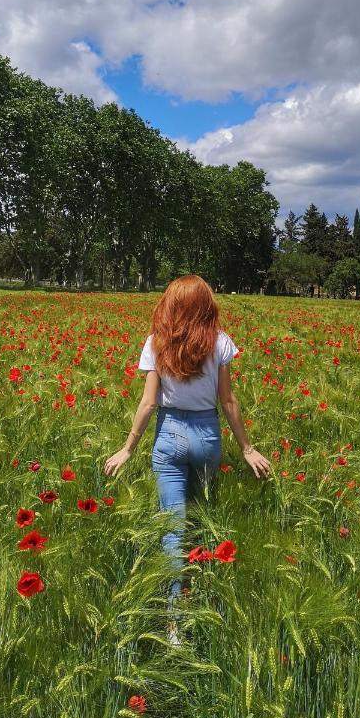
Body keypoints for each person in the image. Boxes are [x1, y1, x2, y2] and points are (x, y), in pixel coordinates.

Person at [102, 274, 271, 645]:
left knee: (173, 530)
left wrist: (128, 448)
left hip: (168, 436)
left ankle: (174, 622)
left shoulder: (155, 343)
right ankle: (207, 592)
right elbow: (228, 401)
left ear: (171, 305)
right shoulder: (221, 343)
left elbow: (148, 403)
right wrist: (247, 448)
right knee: (202, 517)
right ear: (205, 305)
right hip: (207, 437)